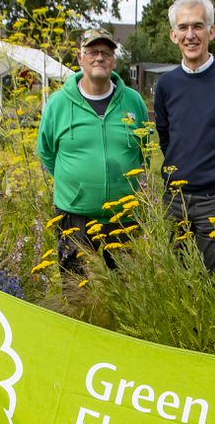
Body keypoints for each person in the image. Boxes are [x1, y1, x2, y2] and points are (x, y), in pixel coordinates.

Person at [36, 27, 148, 277]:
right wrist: (76, 185)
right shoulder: (58, 104)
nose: (99, 57)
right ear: (80, 57)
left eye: (106, 52)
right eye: (93, 51)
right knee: (76, 293)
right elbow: (46, 152)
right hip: (74, 217)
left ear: (114, 60)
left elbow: (144, 150)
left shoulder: (133, 102)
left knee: (126, 294)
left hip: (123, 216)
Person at [153, 0, 215, 272]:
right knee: (175, 278)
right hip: (174, 199)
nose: (190, 34)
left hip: (214, 200)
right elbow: (166, 139)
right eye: (183, 27)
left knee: (212, 281)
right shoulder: (166, 85)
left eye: (197, 26)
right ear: (174, 35)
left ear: (211, 31)